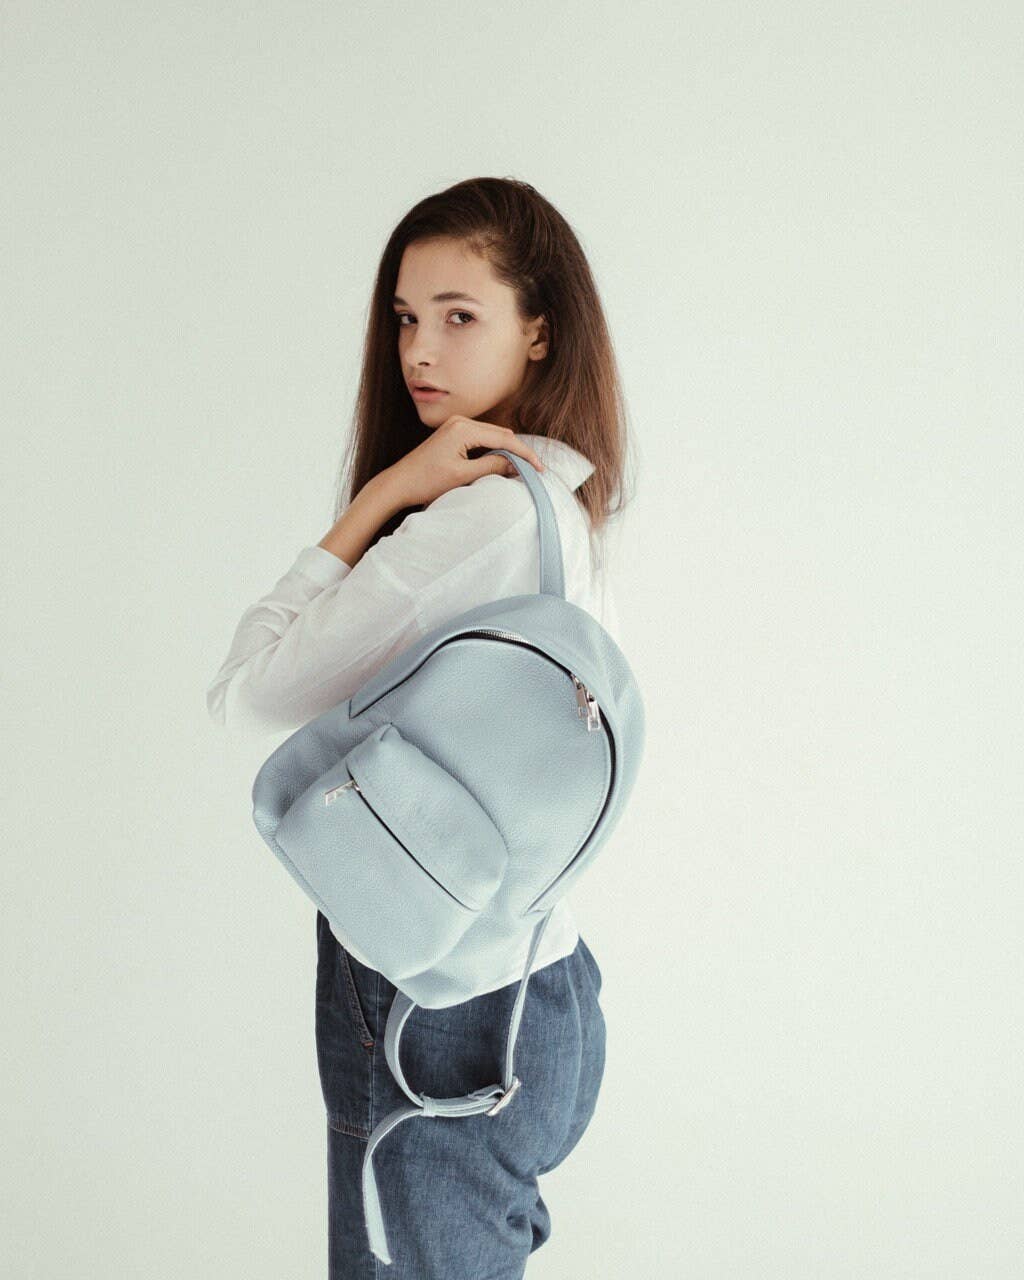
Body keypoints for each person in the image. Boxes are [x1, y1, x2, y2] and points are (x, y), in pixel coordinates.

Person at [207, 176, 637, 1278]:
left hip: (432, 1000)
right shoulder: (562, 499)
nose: (419, 351)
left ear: (539, 330)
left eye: (459, 314)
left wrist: (382, 496)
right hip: (544, 981)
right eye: (405, 317)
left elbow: (250, 691)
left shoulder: (476, 517)